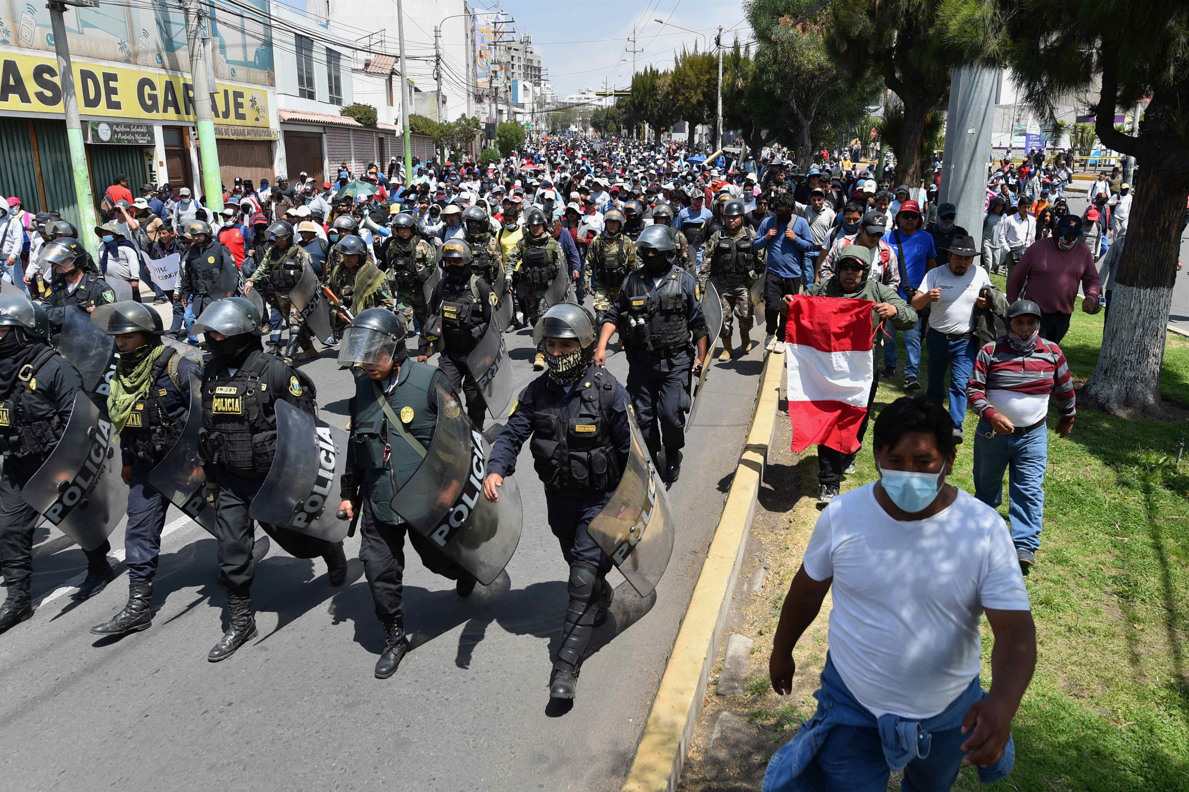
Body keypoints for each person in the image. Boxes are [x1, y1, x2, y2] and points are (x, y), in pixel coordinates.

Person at [765, 396, 1035, 791]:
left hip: (949, 712)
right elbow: (807, 591)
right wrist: (781, 650)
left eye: (923, 462)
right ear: (876, 458)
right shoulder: (842, 517)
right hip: (851, 706)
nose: (909, 474)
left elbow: (1014, 631)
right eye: (895, 461)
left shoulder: (983, 528)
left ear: (948, 462)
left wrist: (1001, 704)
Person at [483, 303, 631, 699]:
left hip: (600, 501)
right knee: (577, 564)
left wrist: (632, 504)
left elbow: (634, 454)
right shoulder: (536, 392)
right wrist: (496, 468)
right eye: (552, 345)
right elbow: (513, 434)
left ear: (583, 346)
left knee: (579, 578)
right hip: (560, 500)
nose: (559, 353)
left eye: (566, 346)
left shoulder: (608, 391)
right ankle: (600, 593)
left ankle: (565, 670)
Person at [192, 297, 347, 661]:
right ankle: (241, 620)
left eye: (220, 333)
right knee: (231, 549)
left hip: (273, 479)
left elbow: (305, 427)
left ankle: (330, 549)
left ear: (242, 333)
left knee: (300, 536)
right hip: (230, 478)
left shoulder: (275, 372)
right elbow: (206, 426)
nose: (214, 338)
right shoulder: (211, 371)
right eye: (210, 333)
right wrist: (211, 478)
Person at [337, 308, 476, 679]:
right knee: (378, 568)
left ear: (397, 350)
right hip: (380, 499)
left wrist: (450, 489)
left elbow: (462, 441)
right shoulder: (362, 387)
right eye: (361, 355)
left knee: (438, 561)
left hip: (427, 501)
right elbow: (357, 445)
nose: (366, 363)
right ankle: (394, 636)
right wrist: (349, 493)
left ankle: (463, 570)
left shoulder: (432, 381)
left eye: (374, 355)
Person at [0, 295, 118, 633]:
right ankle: (19, 600)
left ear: (24, 332)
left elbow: (78, 420)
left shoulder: (55, 368)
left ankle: (99, 565)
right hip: (17, 462)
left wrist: (70, 466)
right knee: (9, 529)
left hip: (56, 463)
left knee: (80, 520)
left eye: (2, 331)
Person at [88, 302, 205, 637]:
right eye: (117, 336)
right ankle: (138, 606)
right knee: (138, 531)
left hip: (185, 463)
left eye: (128, 335)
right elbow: (127, 423)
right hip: (146, 464)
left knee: (223, 519)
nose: (121, 342)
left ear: (147, 333)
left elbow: (203, 418)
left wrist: (200, 464)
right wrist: (127, 460)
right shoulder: (122, 374)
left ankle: (240, 563)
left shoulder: (179, 367)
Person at [803, 245, 917, 504]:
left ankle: (850, 451)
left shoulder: (877, 291)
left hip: (864, 371)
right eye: (845, 267)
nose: (850, 273)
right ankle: (829, 483)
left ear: (865, 271)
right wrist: (789, 305)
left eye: (856, 268)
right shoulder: (824, 289)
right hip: (829, 370)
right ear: (838, 268)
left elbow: (911, 317)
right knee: (831, 422)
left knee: (857, 420)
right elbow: (799, 305)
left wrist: (895, 311)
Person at [594, 225, 708, 484]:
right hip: (642, 361)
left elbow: (699, 325)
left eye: (655, 251)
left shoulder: (684, 281)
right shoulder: (633, 280)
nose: (650, 255)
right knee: (643, 417)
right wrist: (601, 346)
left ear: (667, 252)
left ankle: (672, 451)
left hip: (676, 361)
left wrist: (702, 358)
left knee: (670, 414)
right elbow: (613, 314)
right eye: (646, 251)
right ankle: (652, 458)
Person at [968, 300, 1075, 573]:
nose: (1025, 328)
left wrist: (1067, 417)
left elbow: (1065, 388)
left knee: (1028, 489)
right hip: (992, 433)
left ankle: (1024, 544)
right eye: (1019, 322)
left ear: (1039, 323)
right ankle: (987, 535)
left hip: (1033, 435)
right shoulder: (991, 351)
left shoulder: (1052, 352)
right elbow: (974, 391)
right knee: (987, 485)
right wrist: (991, 414)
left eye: (1031, 322)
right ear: (1009, 322)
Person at [911, 235, 993, 440]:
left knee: (960, 383)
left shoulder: (980, 274)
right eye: (958, 258)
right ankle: (934, 420)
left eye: (967, 259)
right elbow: (915, 304)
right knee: (936, 381)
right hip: (937, 337)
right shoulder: (935, 274)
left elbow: (991, 298)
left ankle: (955, 427)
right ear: (949, 256)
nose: (963, 263)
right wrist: (927, 297)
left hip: (965, 340)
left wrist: (986, 303)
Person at [418, 239, 494, 428]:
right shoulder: (441, 287)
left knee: (476, 401)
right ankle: (454, 433)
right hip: (450, 355)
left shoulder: (481, 288)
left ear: (467, 262)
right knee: (443, 395)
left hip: (477, 356)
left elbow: (494, 325)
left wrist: (490, 356)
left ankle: (476, 435)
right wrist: (422, 349)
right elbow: (430, 319)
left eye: (457, 262)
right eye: (448, 262)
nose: (452, 266)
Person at [1005, 214, 1100, 343]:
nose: (1070, 240)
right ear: (1057, 232)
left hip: (1063, 317)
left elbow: (1092, 278)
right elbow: (1017, 277)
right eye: (1067, 236)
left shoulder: (1083, 251)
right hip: (1035, 314)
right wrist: (1011, 306)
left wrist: (1091, 296)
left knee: (1049, 353)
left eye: (1074, 237)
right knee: (1036, 350)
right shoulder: (1037, 248)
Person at [243, 221, 318, 362]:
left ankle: (288, 357)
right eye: (276, 237)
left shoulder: (301, 253)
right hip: (280, 295)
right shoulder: (272, 251)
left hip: (298, 295)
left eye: (281, 237)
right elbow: (262, 268)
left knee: (295, 325)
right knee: (293, 324)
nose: (278, 240)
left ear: (288, 237)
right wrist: (251, 280)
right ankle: (309, 350)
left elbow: (309, 275)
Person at [883, 200, 936, 389]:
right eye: (906, 216)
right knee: (889, 334)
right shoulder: (887, 237)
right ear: (899, 217)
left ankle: (911, 375)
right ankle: (889, 365)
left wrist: (929, 293)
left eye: (914, 216)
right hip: (890, 295)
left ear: (919, 219)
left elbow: (932, 268)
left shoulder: (927, 238)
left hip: (915, 297)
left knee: (912, 337)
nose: (910, 220)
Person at [754, 191, 816, 351]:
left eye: (785, 211)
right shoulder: (768, 222)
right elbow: (755, 245)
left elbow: (809, 246)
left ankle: (782, 337)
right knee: (772, 307)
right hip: (773, 274)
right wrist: (766, 237)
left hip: (793, 275)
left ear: (792, 209)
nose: (782, 214)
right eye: (779, 211)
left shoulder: (800, 223)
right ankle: (770, 333)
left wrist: (795, 238)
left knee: (788, 309)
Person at [699, 199, 758, 361]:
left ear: (741, 217)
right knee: (724, 320)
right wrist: (703, 284)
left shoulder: (751, 236)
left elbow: (760, 259)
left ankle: (745, 336)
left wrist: (759, 280)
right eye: (728, 217)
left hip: (743, 285)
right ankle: (727, 348)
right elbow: (707, 259)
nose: (731, 220)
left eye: (735, 217)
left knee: (746, 316)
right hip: (722, 285)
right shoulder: (717, 236)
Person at [507, 208, 564, 369]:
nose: (535, 229)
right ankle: (549, 344)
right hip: (529, 290)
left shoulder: (552, 244)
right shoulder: (523, 243)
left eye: (538, 226)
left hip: (548, 291)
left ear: (543, 226)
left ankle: (540, 353)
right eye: (532, 226)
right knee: (534, 320)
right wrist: (508, 277)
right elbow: (511, 260)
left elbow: (562, 269)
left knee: (542, 319)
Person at [41, 238, 118, 331]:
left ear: (77, 262)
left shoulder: (99, 288)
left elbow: (112, 320)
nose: (56, 266)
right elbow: (43, 313)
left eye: (62, 261)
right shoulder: (55, 287)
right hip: (61, 340)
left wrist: (96, 314)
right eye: (54, 262)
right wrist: (72, 311)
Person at [174, 220, 235, 331]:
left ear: (207, 235)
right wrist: (185, 294)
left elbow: (232, 272)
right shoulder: (192, 251)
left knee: (221, 326)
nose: (196, 238)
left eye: (199, 235)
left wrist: (229, 292)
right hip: (200, 297)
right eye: (194, 235)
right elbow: (188, 274)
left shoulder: (220, 249)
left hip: (219, 296)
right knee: (205, 327)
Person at [383, 213, 438, 334]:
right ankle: (400, 350)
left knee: (426, 323)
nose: (402, 232)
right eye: (400, 229)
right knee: (400, 321)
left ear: (412, 229)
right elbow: (390, 265)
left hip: (421, 291)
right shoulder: (393, 245)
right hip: (404, 292)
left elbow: (433, 268)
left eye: (405, 228)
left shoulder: (422, 245)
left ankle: (426, 347)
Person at [324, 234, 391, 331]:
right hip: (347, 327)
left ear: (360, 256)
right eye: (344, 254)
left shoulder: (375, 275)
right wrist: (338, 311)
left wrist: (369, 317)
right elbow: (329, 296)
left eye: (351, 255)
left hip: (372, 326)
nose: (347, 258)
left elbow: (388, 305)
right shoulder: (338, 272)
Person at [585, 208, 637, 327]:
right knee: (601, 316)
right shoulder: (597, 241)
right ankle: (600, 344)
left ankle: (622, 342)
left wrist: (633, 286)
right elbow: (589, 262)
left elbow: (633, 267)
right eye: (609, 222)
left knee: (623, 317)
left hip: (621, 286)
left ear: (620, 224)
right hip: (602, 285)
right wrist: (586, 282)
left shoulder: (627, 242)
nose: (612, 225)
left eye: (615, 222)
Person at [95, 222, 142, 301]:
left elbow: (133, 262)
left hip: (126, 282)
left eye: (107, 232)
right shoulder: (101, 246)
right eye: (103, 232)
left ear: (114, 234)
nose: (104, 234)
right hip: (108, 282)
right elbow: (99, 262)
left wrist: (135, 279)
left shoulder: (125, 246)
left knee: (132, 306)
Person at [1001, 196, 1036, 279]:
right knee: (1012, 277)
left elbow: (1032, 235)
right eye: (1024, 207)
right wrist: (1008, 250)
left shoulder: (1032, 220)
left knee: (1025, 277)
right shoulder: (1010, 220)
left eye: (1028, 207)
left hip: (1026, 251)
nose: (1026, 210)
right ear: (1019, 207)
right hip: (1012, 252)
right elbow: (1001, 235)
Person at [926, 203, 967, 267]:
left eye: (951, 217)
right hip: (934, 273)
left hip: (955, 273)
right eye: (944, 217)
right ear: (938, 216)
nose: (948, 220)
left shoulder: (962, 233)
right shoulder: (928, 233)